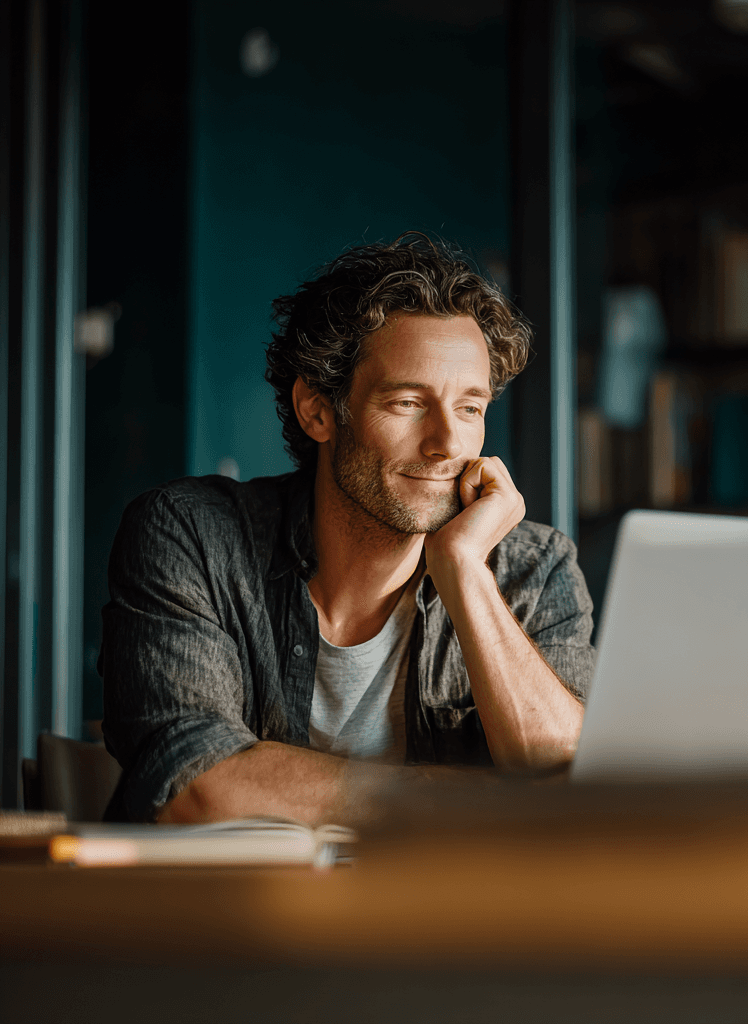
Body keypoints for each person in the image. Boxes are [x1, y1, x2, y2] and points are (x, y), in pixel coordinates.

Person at [100, 235, 595, 824]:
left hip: (447, 916)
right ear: (317, 411)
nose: (446, 444)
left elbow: (570, 783)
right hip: (223, 910)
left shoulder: (534, 568)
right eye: (409, 403)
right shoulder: (191, 535)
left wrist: (463, 572)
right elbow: (197, 789)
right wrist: (485, 800)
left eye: (470, 408)